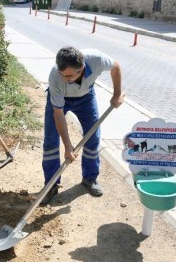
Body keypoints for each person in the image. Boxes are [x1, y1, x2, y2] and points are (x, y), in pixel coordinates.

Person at [41, 46, 124, 204]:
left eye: (70, 76)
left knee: (93, 137)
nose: (66, 79)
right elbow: (58, 114)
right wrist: (68, 145)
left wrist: (117, 94)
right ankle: (50, 185)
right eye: (63, 75)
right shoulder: (55, 76)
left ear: (82, 69)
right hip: (59, 100)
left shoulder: (97, 59)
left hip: (86, 97)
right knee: (51, 140)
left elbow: (116, 67)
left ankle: (90, 178)